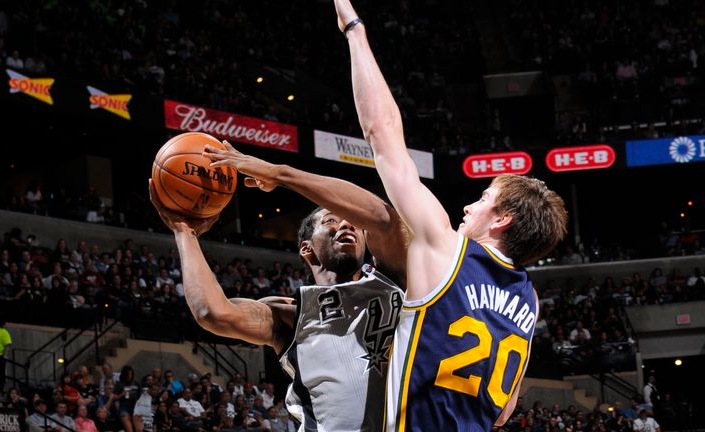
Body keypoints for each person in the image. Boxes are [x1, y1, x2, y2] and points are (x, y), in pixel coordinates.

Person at [330, 1, 568, 430]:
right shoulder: (529, 301)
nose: (468, 206)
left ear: (502, 220)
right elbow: (505, 410)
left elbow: (382, 137)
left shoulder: (449, 251)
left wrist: (355, 30)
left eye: (483, 198)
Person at [149, 141, 408, 431]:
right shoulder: (291, 314)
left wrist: (279, 173)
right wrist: (184, 231)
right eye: (331, 220)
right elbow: (212, 312)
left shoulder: (394, 281)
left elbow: (385, 218)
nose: (347, 225)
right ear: (307, 250)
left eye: (354, 223)